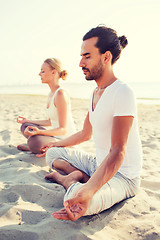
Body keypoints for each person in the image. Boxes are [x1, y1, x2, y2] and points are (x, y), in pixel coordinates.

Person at [42, 26, 143, 221]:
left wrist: (88, 190)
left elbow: (118, 151)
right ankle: (79, 178)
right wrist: (54, 144)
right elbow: (84, 134)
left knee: (77, 201)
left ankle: (68, 180)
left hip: (123, 176)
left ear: (106, 57)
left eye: (87, 56)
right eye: (81, 56)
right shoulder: (95, 93)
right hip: (98, 164)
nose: (80, 63)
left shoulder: (123, 92)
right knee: (52, 153)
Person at [17, 58, 76, 154]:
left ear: (54, 72)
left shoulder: (60, 94)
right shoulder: (51, 94)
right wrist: (27, 120)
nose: (39, 74)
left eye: (43, 71)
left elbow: (63, 130)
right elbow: (50, 122)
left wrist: (39, 132)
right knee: (25, 126)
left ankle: (33, 147)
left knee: (34, 141)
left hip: (64, 140)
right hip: (54, 136)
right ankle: (36, 147)